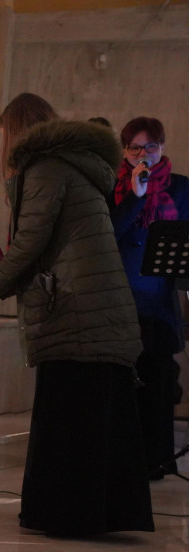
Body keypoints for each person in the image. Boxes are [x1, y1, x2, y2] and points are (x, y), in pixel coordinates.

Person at [0, 92, 153, 536]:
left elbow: (30, 242)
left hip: (73, 308)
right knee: (93, 415)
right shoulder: (74, 164)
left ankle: (66, 514)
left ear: (16, 132)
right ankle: (103, 512)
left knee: (70, 415)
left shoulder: (45, 169)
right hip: (96, 306)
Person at [111, 116, 189, 479]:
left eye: (151, 147)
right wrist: (134, 197)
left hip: (160, 301)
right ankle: (126, 460)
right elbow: (110, 233)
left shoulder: (181, 187)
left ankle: (157, 461)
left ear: (162, 147)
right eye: (136, 148)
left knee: (159, 382)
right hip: (122, 300)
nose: (144, 154)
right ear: (125, 152)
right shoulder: (114, 188)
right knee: (125, 384)